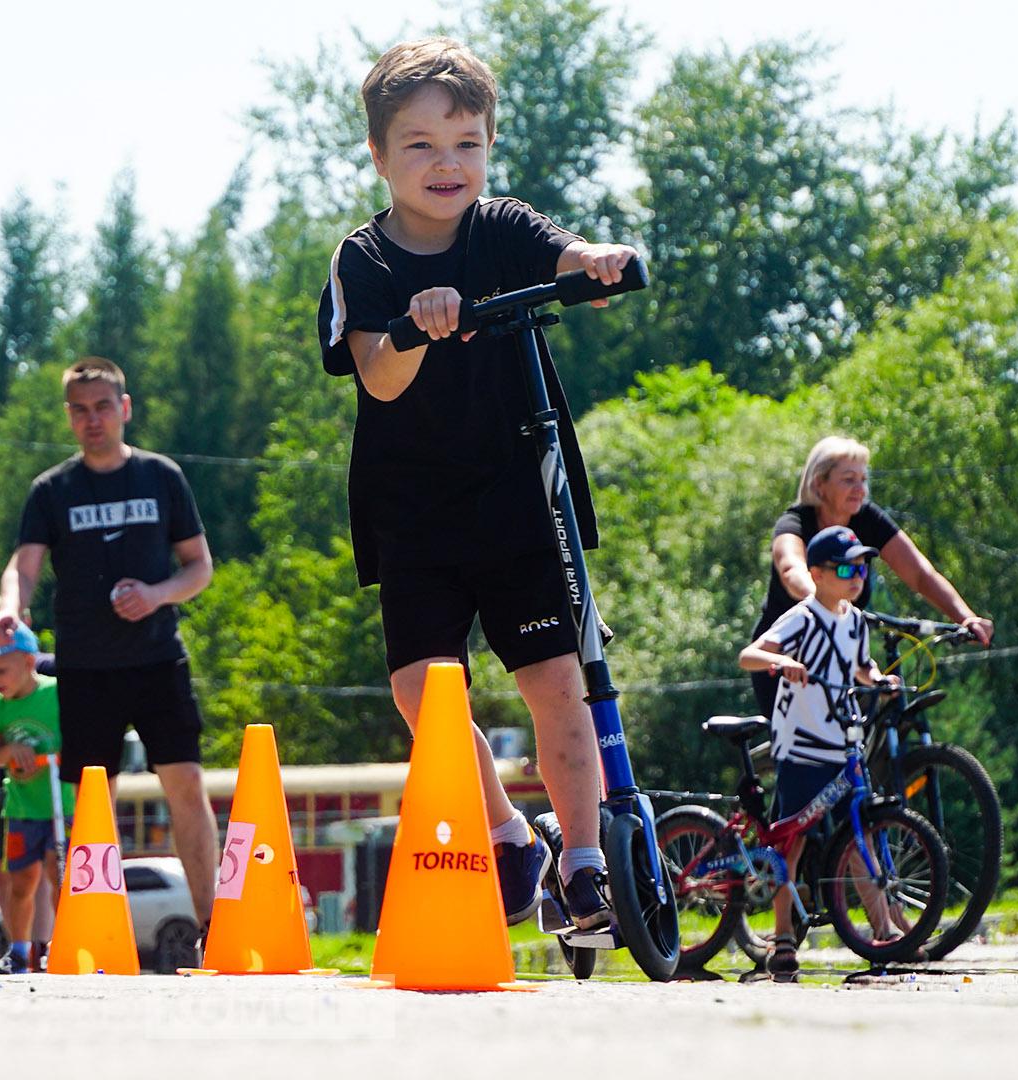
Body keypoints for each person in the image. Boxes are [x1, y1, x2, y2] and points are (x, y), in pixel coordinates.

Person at [315, 36, 637, 931]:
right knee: (422, 690)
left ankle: (582, 865)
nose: (446, 164)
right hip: (414, 510)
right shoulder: (365, 260)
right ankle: (510, 834)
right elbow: (377, 376)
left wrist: (597, 261)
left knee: (555, 684)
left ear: (489, 147)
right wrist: (419, 327)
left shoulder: (502, 229)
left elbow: (570, 260)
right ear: (380, 156)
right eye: (419, 145)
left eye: (466, 142)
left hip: (519, 496)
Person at [0, 357, 219, 930]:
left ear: (125, 409)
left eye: (103, 407)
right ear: (69, 417)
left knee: (184, 781)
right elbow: (25, 567)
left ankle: (213, 926)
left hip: (158, 658)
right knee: (93, 799)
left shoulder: (162, 477)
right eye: (81, 410)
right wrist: (11, 607)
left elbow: (200, 568)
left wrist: (157, 594)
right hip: (85, 668)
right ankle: (94, 933)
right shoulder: (51, 490)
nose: (93, 420)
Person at [737, 526, 900, 981]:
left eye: (862, 568)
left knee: (859, 838)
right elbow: (749, 655)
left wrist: (878, 679)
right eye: (846, 569)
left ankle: (884, 932)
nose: (857, 577)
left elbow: (860, 665)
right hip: (802, 745)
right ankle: (783, 937)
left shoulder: (855, 620)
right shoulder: (802, 618)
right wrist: (781, 662)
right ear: (817, 574)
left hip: (841, 739)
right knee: (791, 840)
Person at [753, 436, 994, 720]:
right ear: (819, 484)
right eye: (848, 480)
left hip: (843, 652)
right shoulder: (795, 523)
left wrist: (965, 617)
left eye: (863, 480)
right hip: (788, 659)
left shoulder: (866, 519)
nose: (860, 489)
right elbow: (791, 569)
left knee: (876, 710)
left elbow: (919, 573)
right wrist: (828, 602)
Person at [0, 623, 75, 973]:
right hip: (21, 807)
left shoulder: (57, 694)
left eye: (1, 670)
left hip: (60, 806)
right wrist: (11, 752)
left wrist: (49, 756)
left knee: (58, 876)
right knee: (19, 881)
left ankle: (66, 943)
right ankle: (18, 948)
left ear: (29, 662)